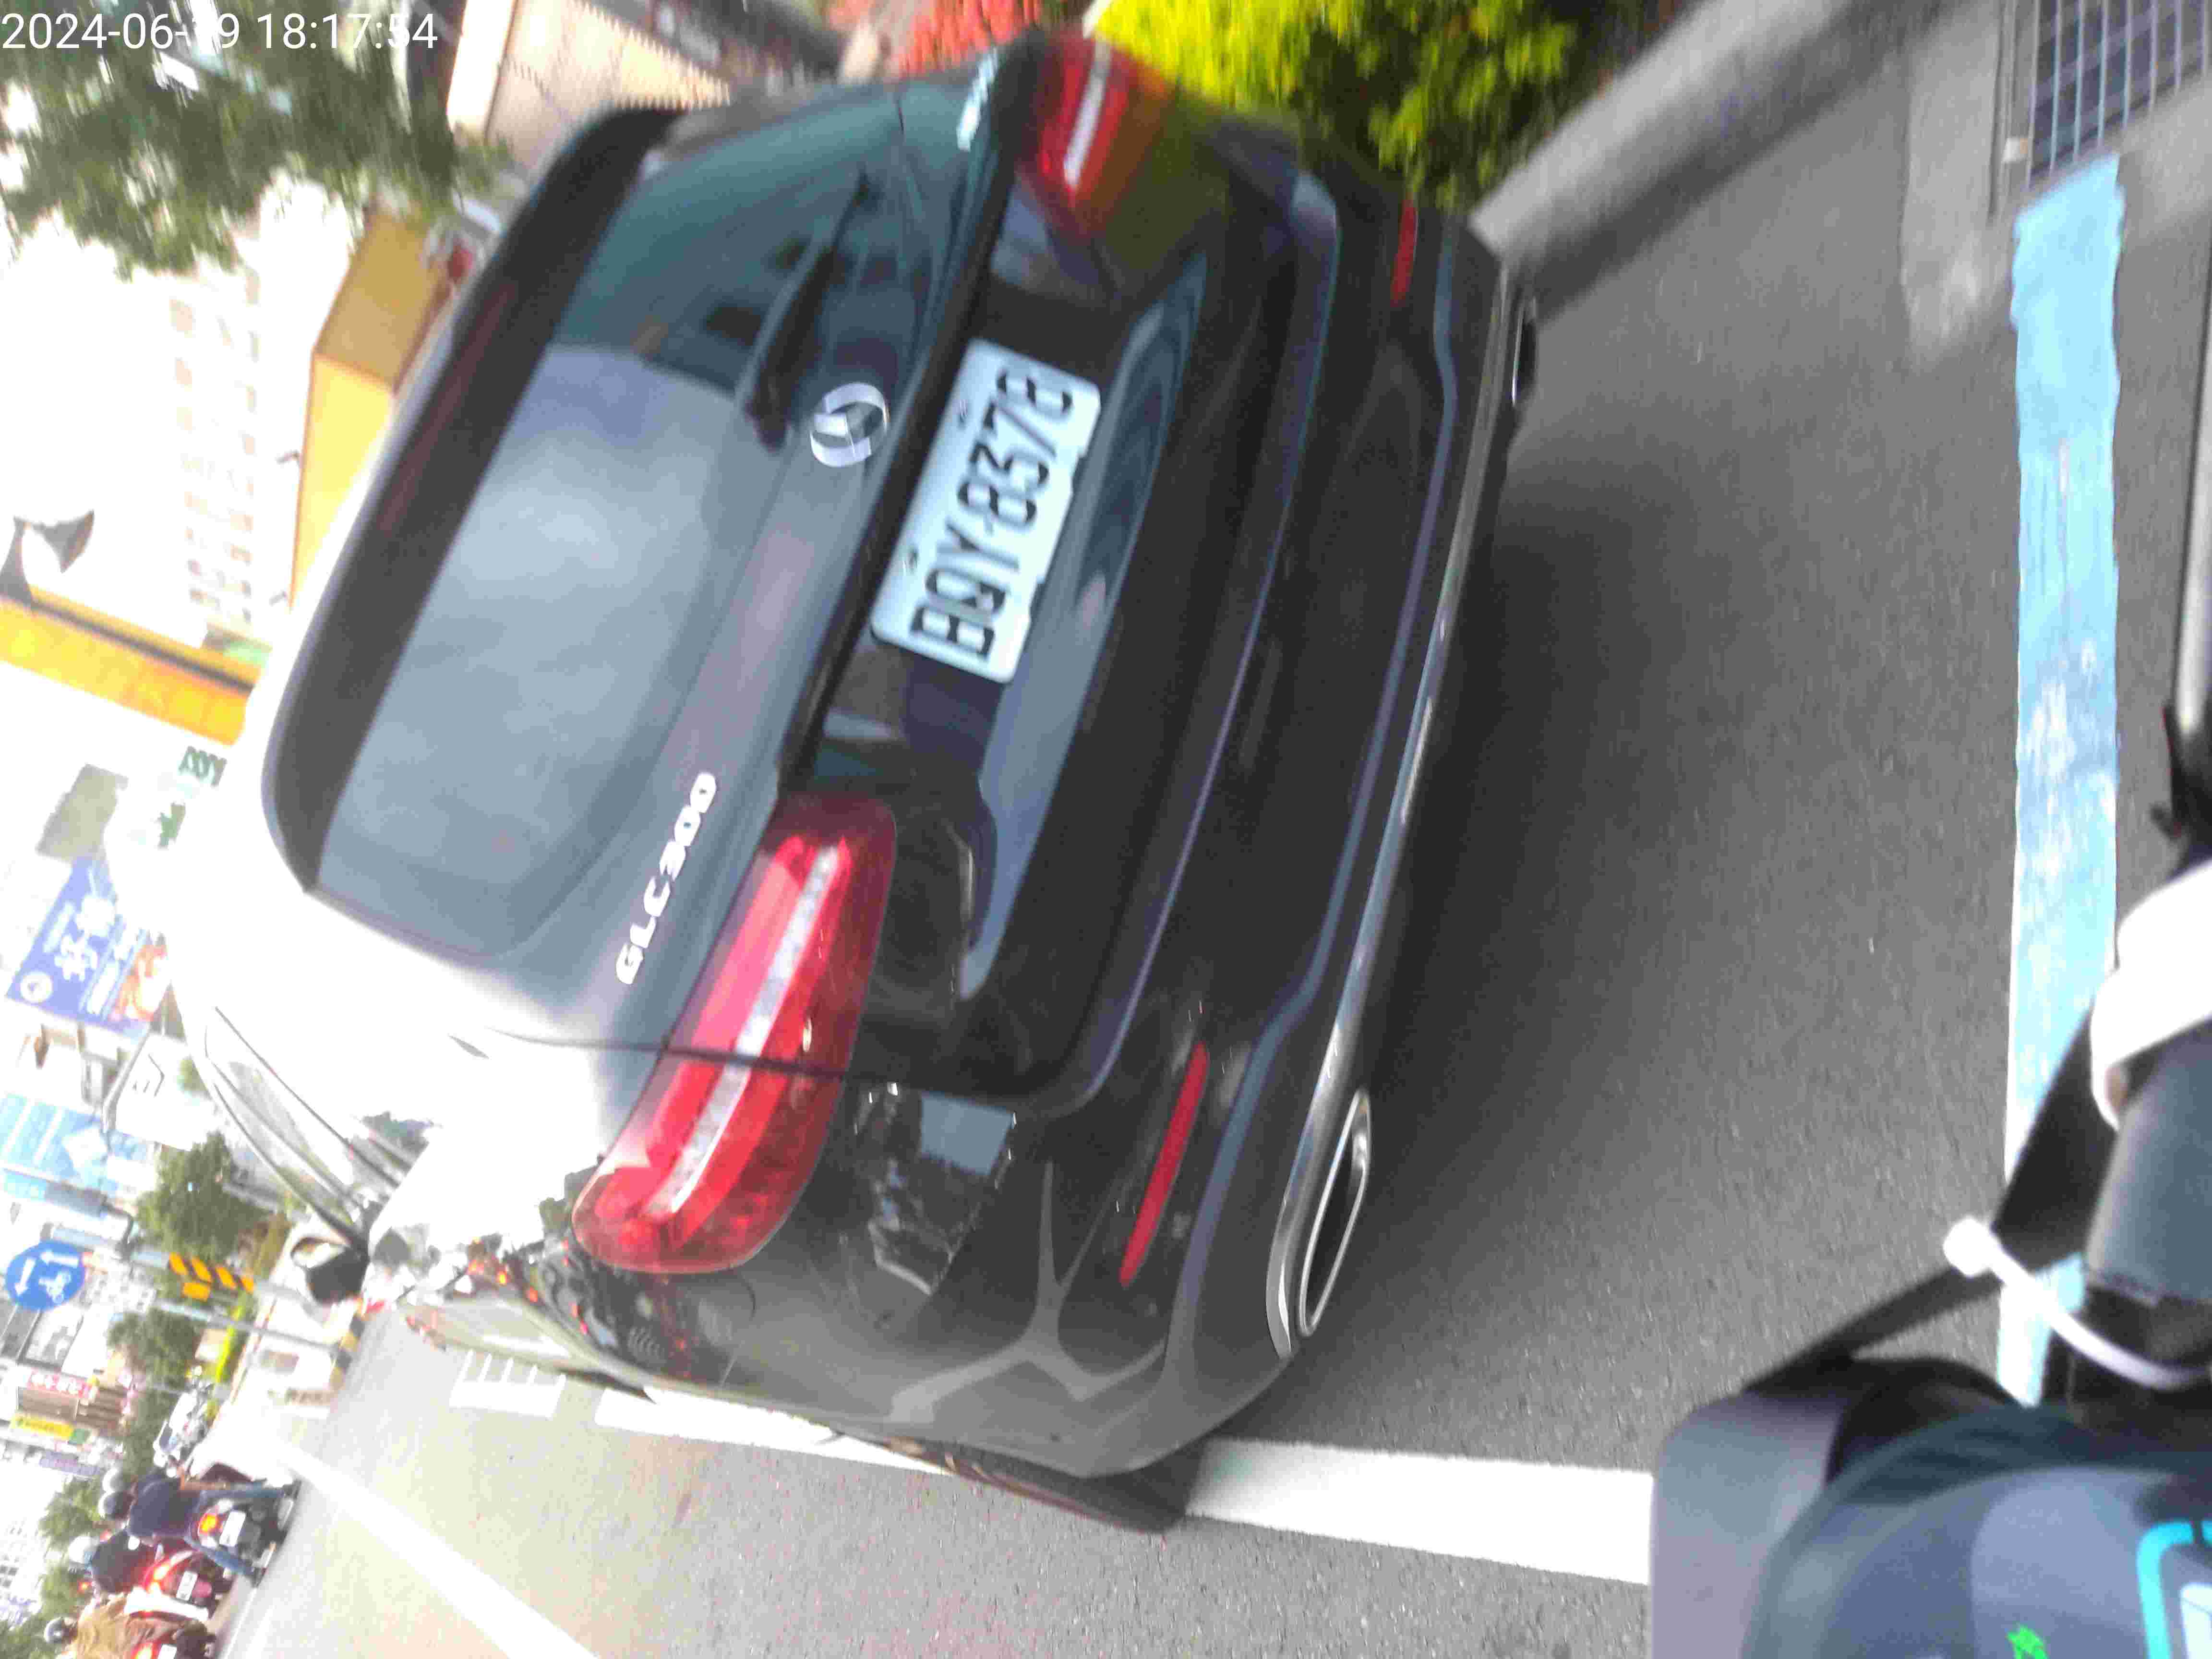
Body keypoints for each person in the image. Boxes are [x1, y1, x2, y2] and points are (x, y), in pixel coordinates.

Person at [109, 1467, 298, 1583]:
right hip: (202, 1503)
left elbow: (152, 1541)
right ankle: (283, 1492)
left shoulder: (134, 1528)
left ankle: (251, 1572)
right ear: (126, 1496)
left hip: (190, 1531)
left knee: (216, 1555)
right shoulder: (153, 1488)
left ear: (120, 1516)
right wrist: (213, 1487)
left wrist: (160, 1529)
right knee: (237, 1492)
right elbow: (187, 1484)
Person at [50, 1594, 212, 1659]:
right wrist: (123, 1597)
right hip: (145, 1633)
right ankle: (188, 1631)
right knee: (172, 1627)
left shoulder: (79, 1655)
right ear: (67, 1625)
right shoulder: (89, 1619)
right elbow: (115, 1606)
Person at [68, 1529, 154, 1597]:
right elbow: (138, 1533)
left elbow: (120, 1590)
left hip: (148, 1584)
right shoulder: (118, 1537)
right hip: (155, 1562)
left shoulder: (99, 1579)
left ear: (81, 1561)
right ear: (90, 1541)